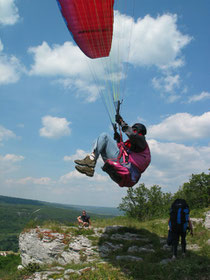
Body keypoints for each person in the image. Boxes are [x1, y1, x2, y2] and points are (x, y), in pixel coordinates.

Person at [74, 114, 151, 187]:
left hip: (125, 168)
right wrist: (118, 139)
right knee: (99, 142)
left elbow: (133, 135)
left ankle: (91, 160)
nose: (131, 130)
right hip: (125, 176)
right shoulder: (136, 148)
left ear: (138, 131)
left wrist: (121, 122)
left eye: (134, 129)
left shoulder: (142, 142)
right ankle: (90, 168)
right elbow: (123, 151)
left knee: (105, 136)